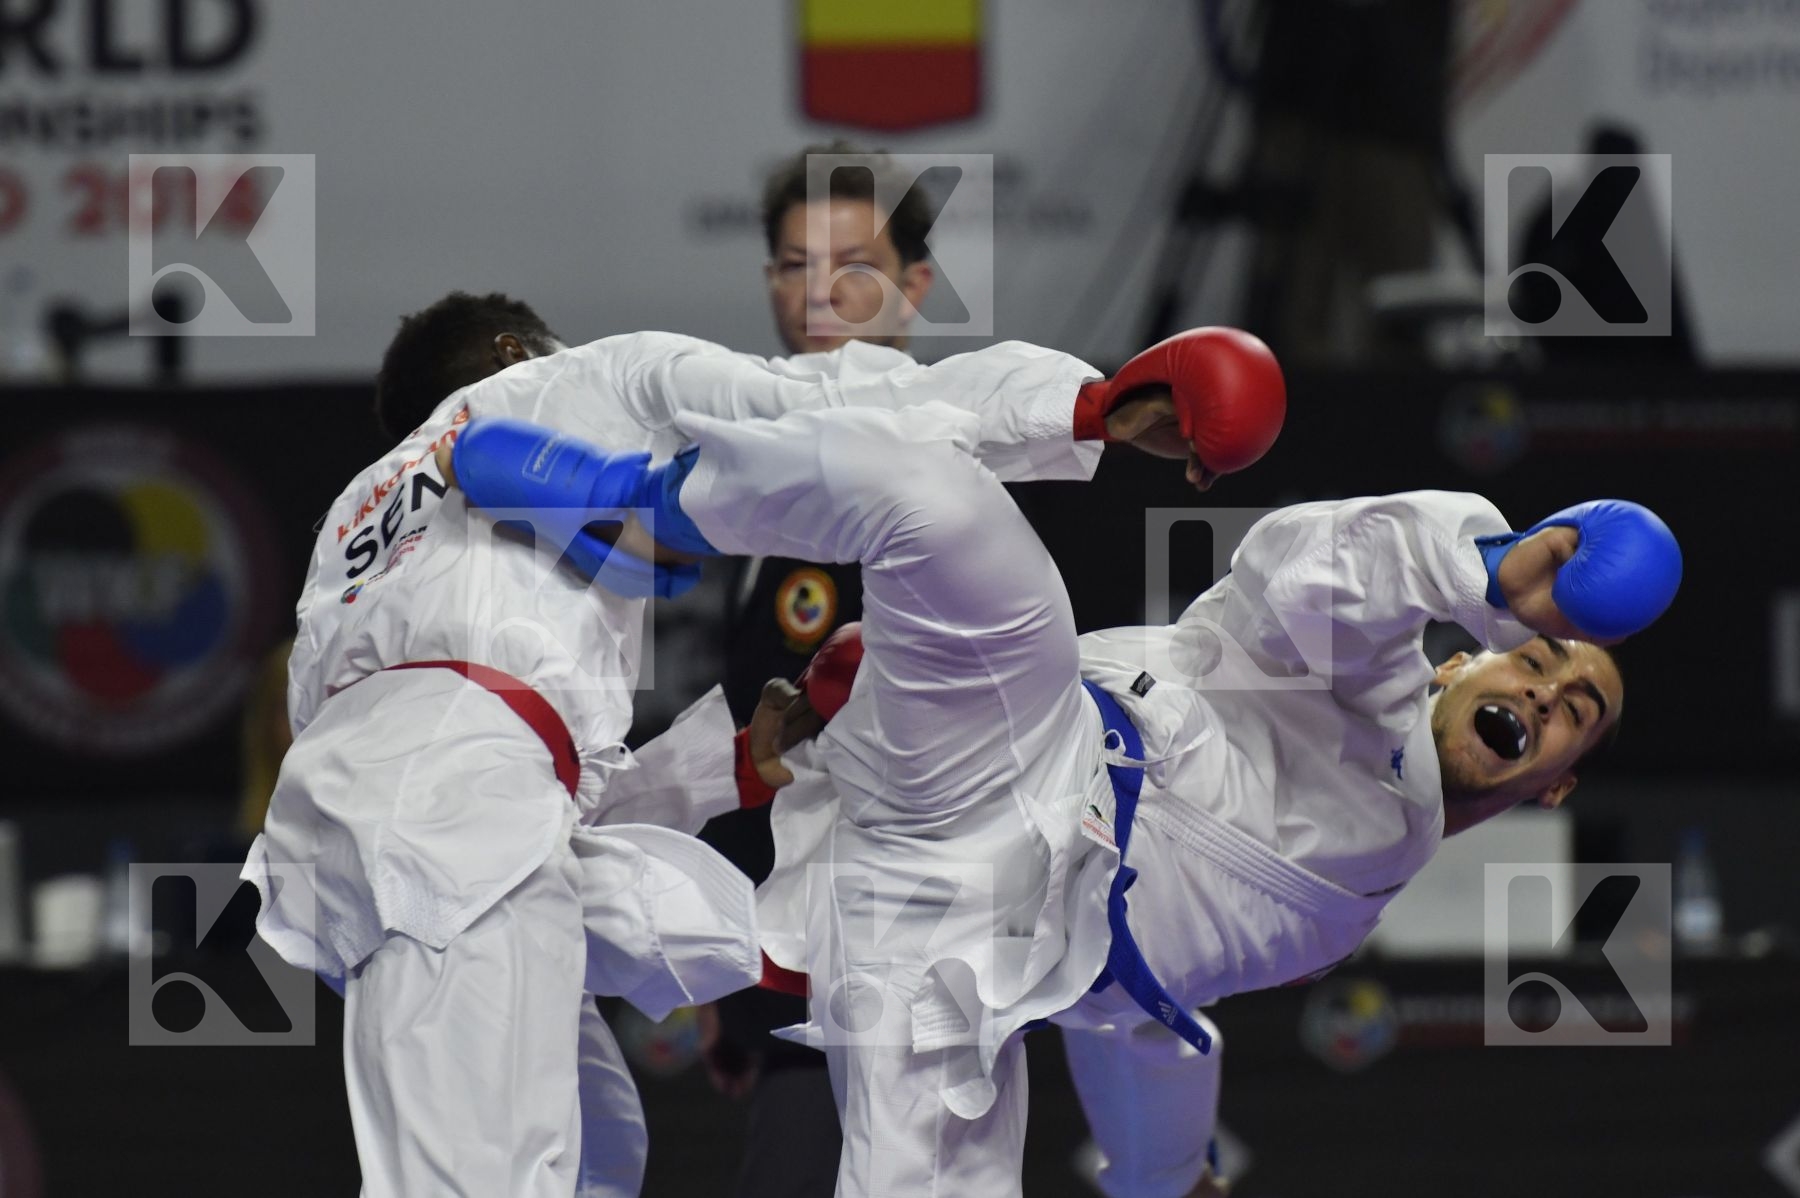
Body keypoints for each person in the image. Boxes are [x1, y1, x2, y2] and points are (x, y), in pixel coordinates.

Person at [439, 389, 1676, 1198]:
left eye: (1579, 708)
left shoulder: (1360, 878)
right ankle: (643, 504)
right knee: (941, 503)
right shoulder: (1366, 688)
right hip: (1025, 743)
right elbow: (1315, 576)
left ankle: (428, 870)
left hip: (966, 971)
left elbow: (1146, 1017)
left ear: (1558, 784)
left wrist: (1167, 1171)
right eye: (1542, 654)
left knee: (560, 904)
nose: (1548, 685)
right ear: (1458, 656)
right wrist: (1482, 566)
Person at [243, 289, 1270, 1196]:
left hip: (366, 842)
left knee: (597, 1145)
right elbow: (842, 408)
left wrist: (728, 767)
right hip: (456, 821)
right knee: (480, 1178)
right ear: (518, 348)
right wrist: (1084, 408)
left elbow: (451, 758)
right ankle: (856, 955)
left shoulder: (352, 522)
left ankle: (818, 958)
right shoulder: (576, 377)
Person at [701, 141, 941, 1198]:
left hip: (916, 963)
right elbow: (748, 727)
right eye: (796, 263)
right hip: (790, 970)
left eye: (853, 261)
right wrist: (729, 964)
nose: (821, 291)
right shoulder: (750, 464)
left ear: (916, 285)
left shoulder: (949, 467)